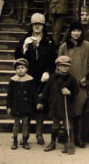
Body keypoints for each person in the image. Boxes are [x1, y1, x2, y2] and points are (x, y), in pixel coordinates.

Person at [14, 13, 56, 145]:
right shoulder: (25, 40)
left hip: (43, 77)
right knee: (27, 105)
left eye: (40, 24)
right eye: (35, 24)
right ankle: (25, 135)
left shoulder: (49, 40)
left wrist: (48, 72)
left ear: (43, 26)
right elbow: (18, 58)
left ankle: (39, 133)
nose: (37, 26)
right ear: (31, 25)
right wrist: (25, 48)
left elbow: (53, 58)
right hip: (28, 77)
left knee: (41, 106)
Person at [58, 21, 89, 148]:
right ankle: (68, 136)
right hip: (67, 82)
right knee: (68, 110)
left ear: (82, 32)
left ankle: (79, 137)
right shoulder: (64, 46)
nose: (76, 33)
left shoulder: (87, 46)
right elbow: (59, 64)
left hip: (81, 84)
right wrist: (61, 81)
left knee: (79, 111)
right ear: (70, 32)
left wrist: (87, 78)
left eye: (78, 31)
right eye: (74, 30)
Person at [38, 55, 78, 153]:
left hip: (67, 106)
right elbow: (46, 91)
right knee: (55, 125)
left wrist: (69, 92)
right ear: (58, 67)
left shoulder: (72, 79)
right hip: (55, 105)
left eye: (67, 66)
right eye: (62, 65)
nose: (65, 67)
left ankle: (68, 143)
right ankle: (52, 143)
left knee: (67, 126)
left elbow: (76, 91)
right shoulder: (52, 78)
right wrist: (41, 102)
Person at [6, 58, 37, 150]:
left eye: (22, 67)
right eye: (18, 68)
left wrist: (36, 104)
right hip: (16, 106)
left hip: (27, 106)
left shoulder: (30, 80)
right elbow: (9, 95)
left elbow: (34, 94)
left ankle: (25, 141)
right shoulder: (13, 80)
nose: (20, 69)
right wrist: (8, 107)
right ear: (15, 70)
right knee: (16, 124)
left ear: (26, 69)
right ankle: (15, 140)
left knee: (25, 123)